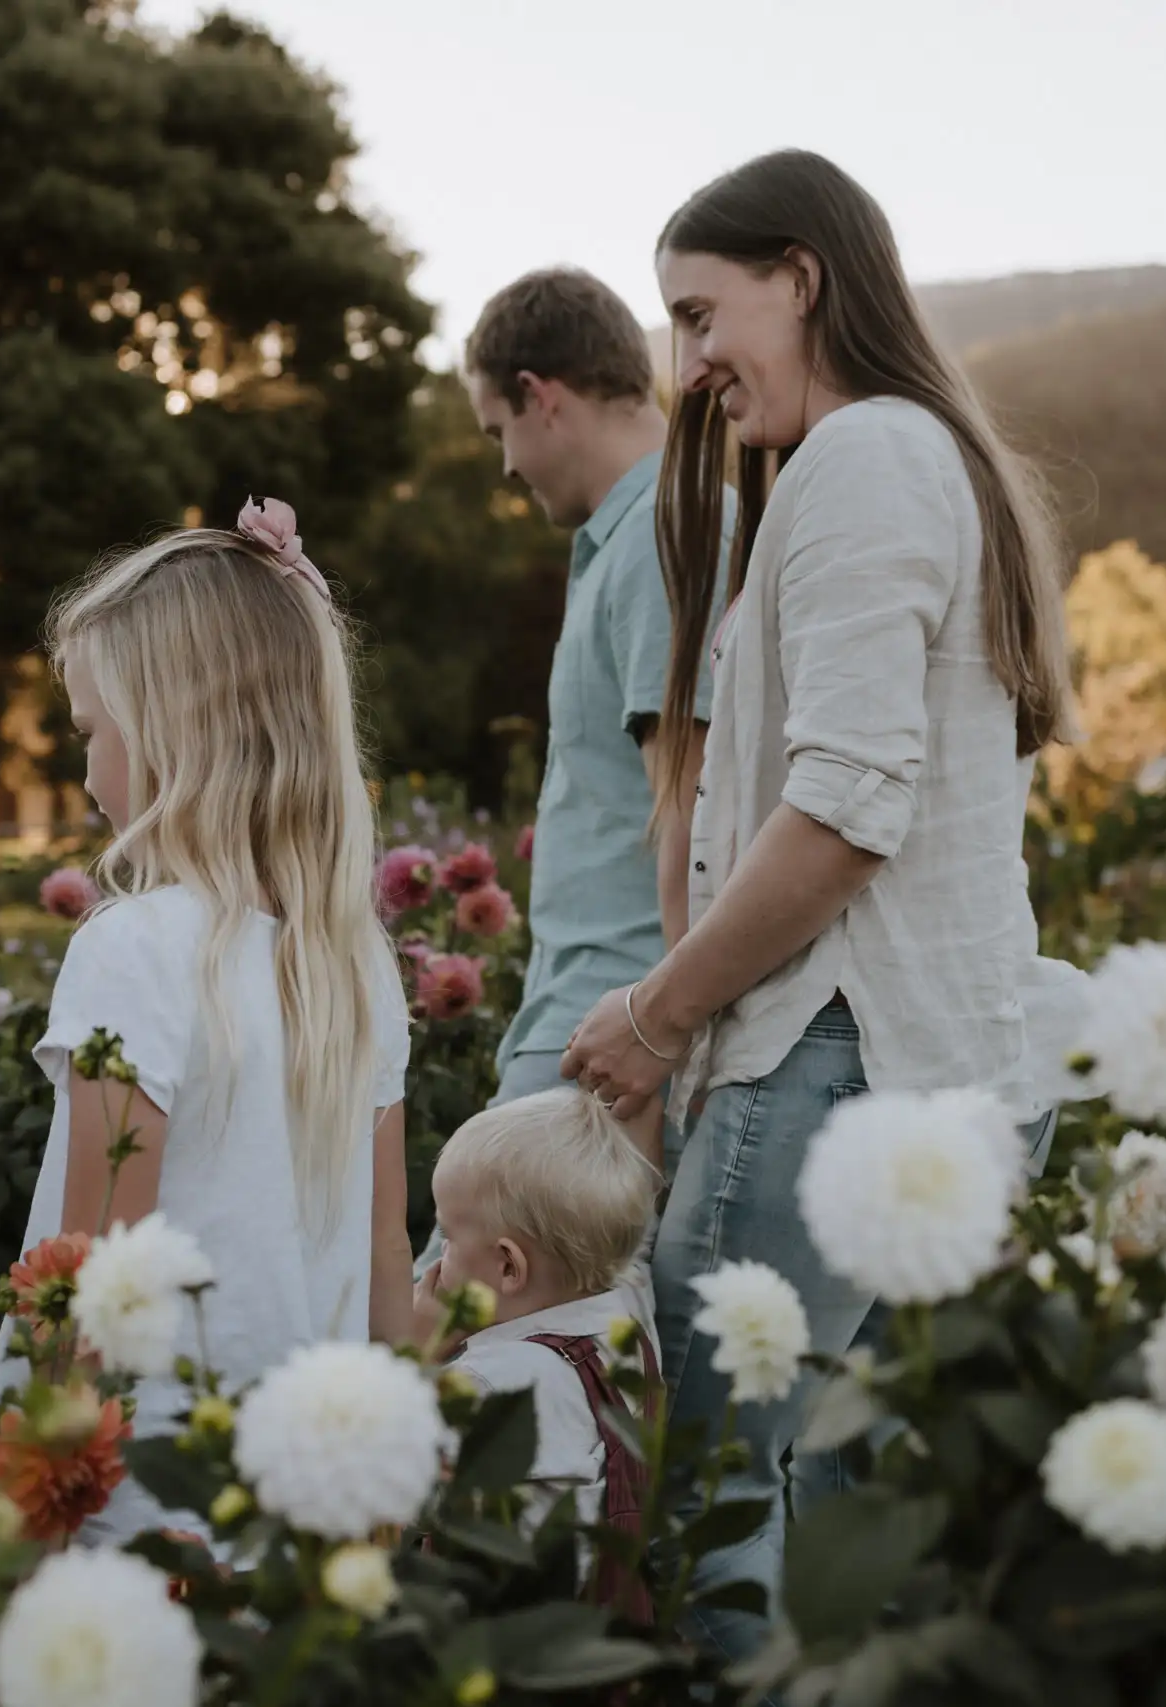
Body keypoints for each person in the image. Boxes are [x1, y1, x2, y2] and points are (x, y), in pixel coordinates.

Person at [558, 150, 1087, 1653]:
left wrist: (661, 1015)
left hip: (834, 1059)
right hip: (922, 1061)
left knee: (715, 1488)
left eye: (702, 312)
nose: (691, 361)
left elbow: (848, 808)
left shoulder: (864, 460)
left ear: (803, 274)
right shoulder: (903, 460)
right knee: (854, 1522)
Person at [0, 499, 415, 1543]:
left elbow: (95, 1270)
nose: (84, 777)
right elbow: (386, 1255)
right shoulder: (353, 965)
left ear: (173, 727)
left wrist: (30, 1495)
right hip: (313, 1500)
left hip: (142, 1492)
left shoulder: (131, 950)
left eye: (90, 732)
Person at [462, 269, 726, 1139]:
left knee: (463, 1275)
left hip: (616, 1025)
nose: (504, 463)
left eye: (499, 429)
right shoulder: (631, 535)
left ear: (542, 397)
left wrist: (667, 1031)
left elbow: (690, 805)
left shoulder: (664, 531)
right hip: (590, 1012)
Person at [418, 1086, 661, 1618]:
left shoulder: (494, 1382)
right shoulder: (629, 1316)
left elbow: (400, 1480)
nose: (438, 1260)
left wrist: (421, 1355)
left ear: (508, 1267)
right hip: (602, 1630)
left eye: (445, 1237)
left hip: (493, 1639)